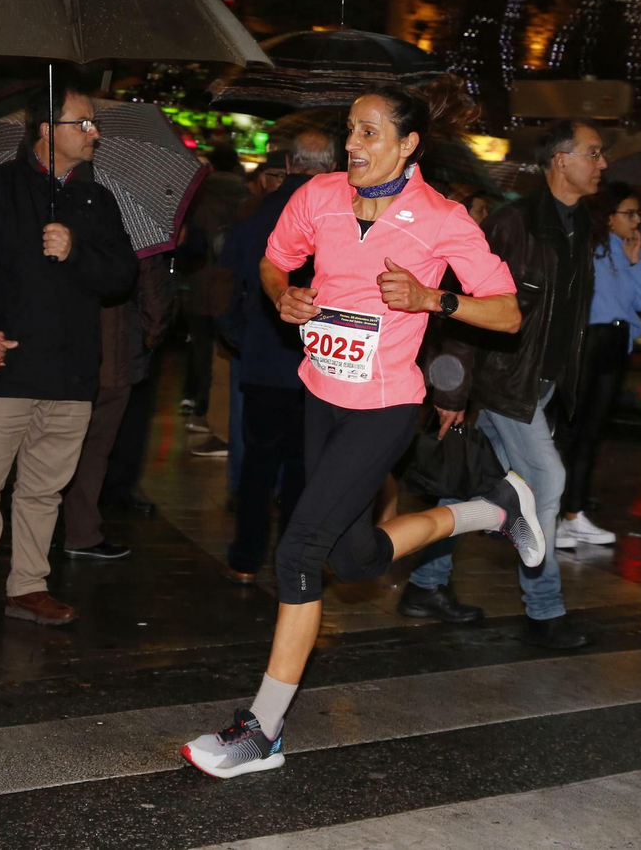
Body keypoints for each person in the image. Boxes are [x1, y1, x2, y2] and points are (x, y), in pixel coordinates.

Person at [181, 78, 530, 779]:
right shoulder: (317, 197)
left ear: (408, 145)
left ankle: (263, 730)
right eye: (351, 129)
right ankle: (490, 509)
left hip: (387, 405)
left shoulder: (442, 217)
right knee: (358, 558)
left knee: (299, 553)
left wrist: (435, 297)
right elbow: (274, 263)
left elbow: (507, 313)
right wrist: (289, 297)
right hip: (322, 393)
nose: (354, 143)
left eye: (370, 132)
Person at [0, 78, 137, 633]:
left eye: (94, 122)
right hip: (1, 368)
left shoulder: (98, 198)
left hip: (71, 371)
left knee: (44, 489)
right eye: (85, 123)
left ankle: (28, 584)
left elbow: (121, 276)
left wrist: (75, 250)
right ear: (49, 131)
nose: (95, 131)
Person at [405, 118, 603, 648]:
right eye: (593, 152)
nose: (602, 163)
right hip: (502, 383)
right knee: (545, 482)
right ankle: (545, 613)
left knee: (465, 481)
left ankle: (425, 584)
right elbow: (470, 308)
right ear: (561, 160)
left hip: (541, 385)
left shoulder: (582, 224)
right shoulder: (512, 225)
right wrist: (452, 391)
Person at [217, 130, 338, 584]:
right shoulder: (337, 215)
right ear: (330, 167)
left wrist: (240, 338)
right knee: (304, 470)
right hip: (320, 365)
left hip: (264, 360)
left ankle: (245, 558)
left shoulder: (256, 212)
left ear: (289, 164)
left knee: (258, 464)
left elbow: (225, 282)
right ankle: (295, 565)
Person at [560, 182, 641, 547]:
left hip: (617, 343)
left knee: (592, 431)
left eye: (640, 214)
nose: (637, 221)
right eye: (630, 213)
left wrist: (637, 261)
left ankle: (573, 514)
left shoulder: (631, 251)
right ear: (609, 216)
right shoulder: (591, 247)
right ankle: (557, 512)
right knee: (572, 430)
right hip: (589, 340)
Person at [61, 253, 174, 557]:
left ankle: (37, 529)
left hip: (55, 351)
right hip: (111, 352)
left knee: (48, 442)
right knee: (95, 447)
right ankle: (80, 533)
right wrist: (149, 339)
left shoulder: (46, 213)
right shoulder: (131, 225)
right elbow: (155, 295)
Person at [180, 147, 248, 446]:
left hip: (197, 284)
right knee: (223, 354)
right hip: (229, 287)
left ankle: (196, 402)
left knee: (199, 347)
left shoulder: (197, 197)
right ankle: (215, 415)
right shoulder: (247, 199)